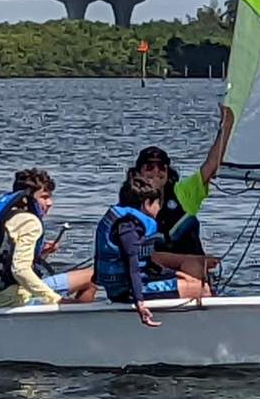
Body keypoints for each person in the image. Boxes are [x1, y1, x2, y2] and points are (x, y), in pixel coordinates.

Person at [127, 104, 235, 283]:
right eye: (149, 167)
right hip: (155, 273)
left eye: (161, 167)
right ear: (138, 172)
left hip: (192, 273)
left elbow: (211, 166)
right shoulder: (130, 202)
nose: (156, 172)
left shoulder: (183, 192)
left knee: (194, 266)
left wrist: (226, 126)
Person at [95, 176, 213, 327]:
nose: (159, 207)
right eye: (158, 202)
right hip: (127, 291)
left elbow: (146, 263)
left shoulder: (128, 221)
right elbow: (133, 265)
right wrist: (140, 303)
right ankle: (202, 330)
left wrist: (173, 273)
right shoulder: (129, 228)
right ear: (147, 204)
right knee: (201, 289)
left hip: (129, 286)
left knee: (190, 278)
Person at [0, 169, 97, 308]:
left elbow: (8, 259)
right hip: (17, 299)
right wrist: (55, 299)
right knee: (93, 277)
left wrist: (41, 254)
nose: (50, 203)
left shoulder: (9, 215)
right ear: (26, 198)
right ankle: (76, 321)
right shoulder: (30, 222)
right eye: (44, 197)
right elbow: (20, 271)